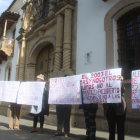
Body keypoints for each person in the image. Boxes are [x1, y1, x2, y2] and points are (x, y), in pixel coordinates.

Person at [103, 76, 127, 140]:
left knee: (120, 129)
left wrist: (119, 81)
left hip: (120, 109)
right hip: (109, 110)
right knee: (111, 130)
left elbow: (123, 90)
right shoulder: (105, 85)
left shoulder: (120, 82)